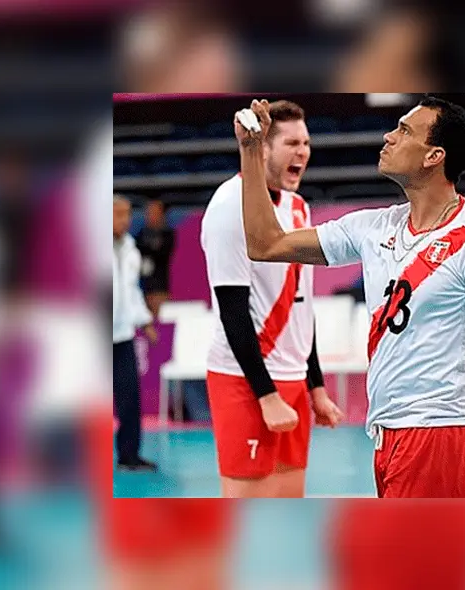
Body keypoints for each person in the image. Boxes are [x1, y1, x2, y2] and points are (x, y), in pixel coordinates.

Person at [235, 96, 465, 499]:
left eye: (404, 131)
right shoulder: (376, 227)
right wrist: (251, 150)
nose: (388, 136)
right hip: (387, 434)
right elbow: (265, 244)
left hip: (438, 435)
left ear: (434, 156)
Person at [201, 99, 344, 499]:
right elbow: (232, 311)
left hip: (293, 379)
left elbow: (302, 305)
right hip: (246, 382)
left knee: (289, 503)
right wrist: (265, 395)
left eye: (306, 143)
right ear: (262, 148)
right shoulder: (230, 205)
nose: (303, 152)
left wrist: (315, 386)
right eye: (291, 143)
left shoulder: (298, 207)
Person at [112, 195, 158, 472]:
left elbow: (132, 291)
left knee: (130, 396)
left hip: (122, 335)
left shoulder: (131, 249)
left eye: (127, 214)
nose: (124, 220)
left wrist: (145, 321)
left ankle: (129, 454)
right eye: (118, 214)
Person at [136, 198, 175, 320]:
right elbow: (139, 250)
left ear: (161, 214)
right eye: (148, 213)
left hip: (160, 285)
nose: (150, 216)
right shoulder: (142, 233)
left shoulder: (167, 234)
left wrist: (150, 248)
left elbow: (161, 252)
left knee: (159, 316)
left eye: (154, 212)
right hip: (143, 285)